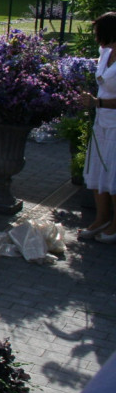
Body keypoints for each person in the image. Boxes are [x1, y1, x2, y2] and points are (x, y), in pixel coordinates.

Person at [80, 13, 116, 242]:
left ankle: (114, 224)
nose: (95, 37)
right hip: (101, 121)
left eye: (97, 32)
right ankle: (101, 217)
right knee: (97, 170)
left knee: (114, 174)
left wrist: (98, 102)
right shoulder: (105, 52)